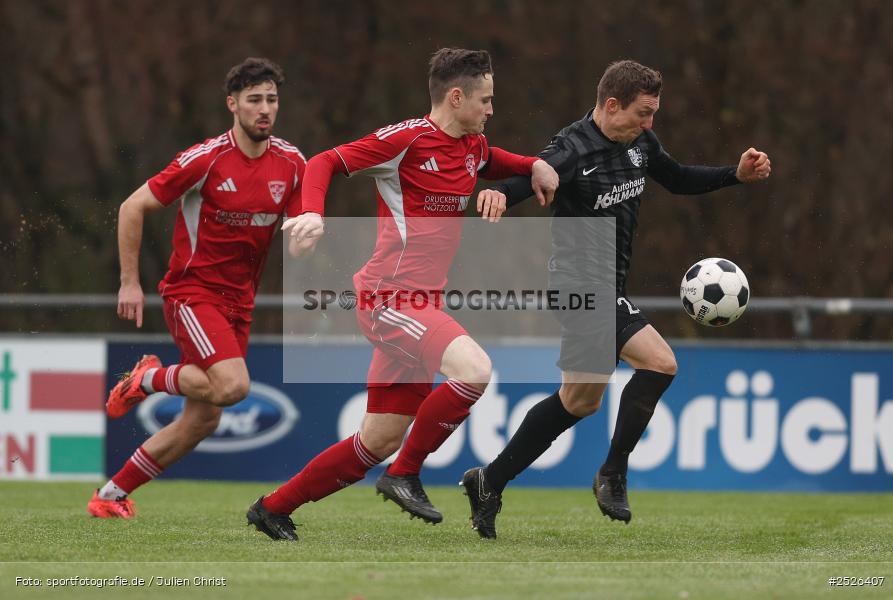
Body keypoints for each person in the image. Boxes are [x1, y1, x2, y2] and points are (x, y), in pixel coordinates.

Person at [245, 47, 558, 541]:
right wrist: (312, 213)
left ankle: (273, 508)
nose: (492, 110)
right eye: (486, 100)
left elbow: (496, 161)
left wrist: (534, 164)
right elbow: (326, 161)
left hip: (421, 304)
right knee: (474, 370)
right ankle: (404, 474)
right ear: (456, 97)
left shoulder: (473, 145)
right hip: (389, 298)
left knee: (377, 438)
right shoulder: (406, 139)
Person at [461, 59, 772, 538]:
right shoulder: (573, 147)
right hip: (580, 288)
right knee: (661, 363)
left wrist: (735, 174)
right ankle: (613, 473)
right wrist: (501, 192)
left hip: (607, 287)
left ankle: (489, 481)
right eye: (643, 113)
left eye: (653, 114)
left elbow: (679, 177)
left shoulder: (640, 142)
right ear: (611, 105)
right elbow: (532, 176)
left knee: (578, 402)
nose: (650, 124)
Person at [87, 58, 307, 518]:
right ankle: (146, 378)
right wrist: (129, 282)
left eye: (271, 100)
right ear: (232, 105)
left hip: (239, 301)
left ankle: (109, 496)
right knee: (232, 386)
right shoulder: (206, 159)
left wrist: (308, 236)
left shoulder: (291, 163)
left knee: (203, 418)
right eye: (254, 100)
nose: (264, 109)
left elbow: (299, 237)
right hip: (193, 293)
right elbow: (132, 207)